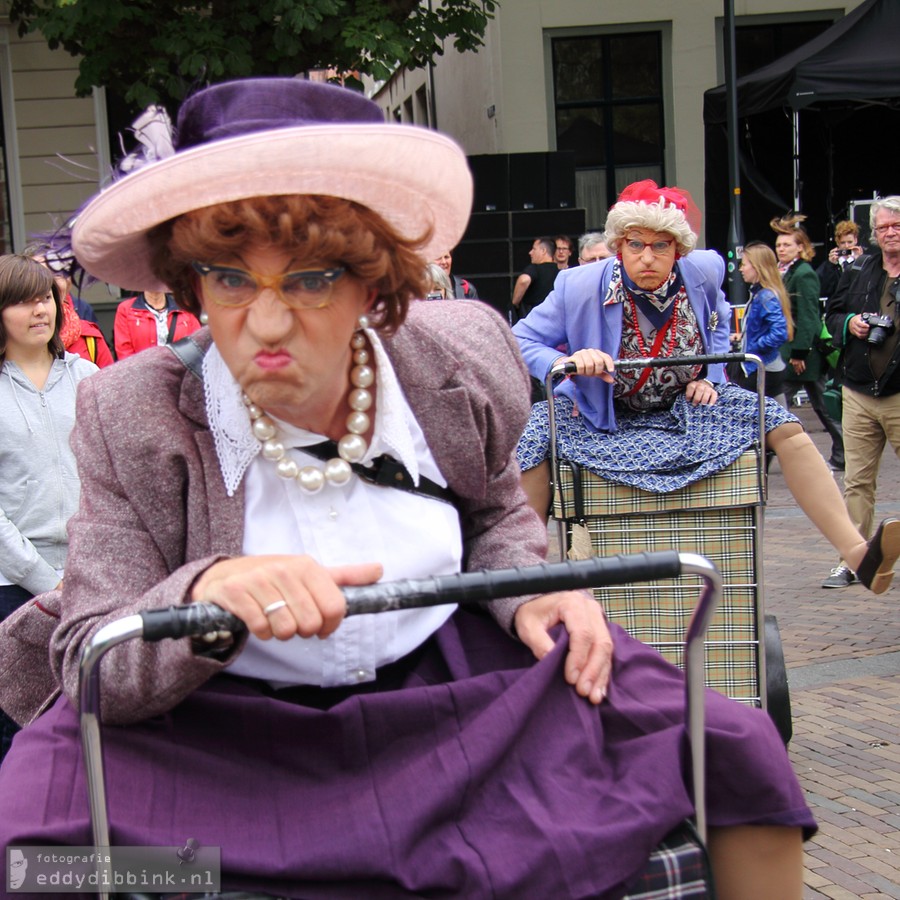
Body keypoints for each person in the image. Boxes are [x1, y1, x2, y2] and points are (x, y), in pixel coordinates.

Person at [0, 80, 815, 900]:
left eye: (311, 280)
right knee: (33, 850)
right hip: (221, 728)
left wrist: (528, 594)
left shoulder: (459, 357)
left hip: (455, 686)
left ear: (370, 283)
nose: (269, 321)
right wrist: (205, 595)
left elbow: (493, 508)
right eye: (232, 281)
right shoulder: (130, 410)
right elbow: (90, 662)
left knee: (733, 743)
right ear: (192, 286)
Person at [514, 180, 900, 598]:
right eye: (636, 245)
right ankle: (521, 586)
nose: (647, 257)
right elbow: (519, 339)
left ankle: (859, 554)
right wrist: (566, 362)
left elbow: (716, 319)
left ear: (678, 250)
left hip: (685, 404)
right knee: (536, 437)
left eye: (661, 246)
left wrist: (710, 375)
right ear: (619, 245)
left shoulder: (703, 269)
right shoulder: (579, 285)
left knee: (784, 425)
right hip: (602, 411)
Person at [0, 254, 97, 760]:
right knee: (19, 727)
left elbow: (113, 474)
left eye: (45, 297)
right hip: (11, 587)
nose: (39, 310)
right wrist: (42, 578)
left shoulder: (88, 376)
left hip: (90, 576)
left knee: (92, 719)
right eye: (21, 300)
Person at [822, 196, 900, 590]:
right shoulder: (861, 268)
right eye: (884, 227)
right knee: (856, 480)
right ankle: (852, 559)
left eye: (897, 226)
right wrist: (850, 321)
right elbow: (832, 312)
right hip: (858, 389)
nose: (890, 233)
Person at [771, 213, 845, 470]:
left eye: (787, 245)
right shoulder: (787, 273)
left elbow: (809, 317)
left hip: (802, 354)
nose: (781, 249)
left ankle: (763, 463)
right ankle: (844, 454)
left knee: (778, 406)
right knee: (820, 405)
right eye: (779, 245)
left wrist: (800, 353)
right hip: (795, 352)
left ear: (801, 248)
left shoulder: (803, 274)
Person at [732, 241, 793, 399]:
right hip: (765, 365)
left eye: (744, 264)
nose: (741, 269)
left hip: (761, 366)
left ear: (757, 266)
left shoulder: (765, 296)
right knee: (775, 414)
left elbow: (780, 333)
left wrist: (755, 345)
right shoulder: (762, 294)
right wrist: (745, 338)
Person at [114, 288, 202, 358]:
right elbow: (124, 352)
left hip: (180, 374)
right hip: (143, 375)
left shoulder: (184, 307)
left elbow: (197, 344)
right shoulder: (126, 309)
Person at [816, 219, 865, 301]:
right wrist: (830, 265)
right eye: (843, 242)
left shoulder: (864, 261)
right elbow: (824, 290)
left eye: (850, 242)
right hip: (836, 308)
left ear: (856, 240)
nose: (846, 246)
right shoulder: (829, 264)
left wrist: (859, 261)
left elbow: (865, 286)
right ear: (837, 242)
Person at [511, 236, 558, 320]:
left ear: (543, 251)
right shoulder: (559, 272)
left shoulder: (535, 268)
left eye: (534, 249)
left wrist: (515, 302)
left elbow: (523, 280)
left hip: (533, 318)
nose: (530, 252)